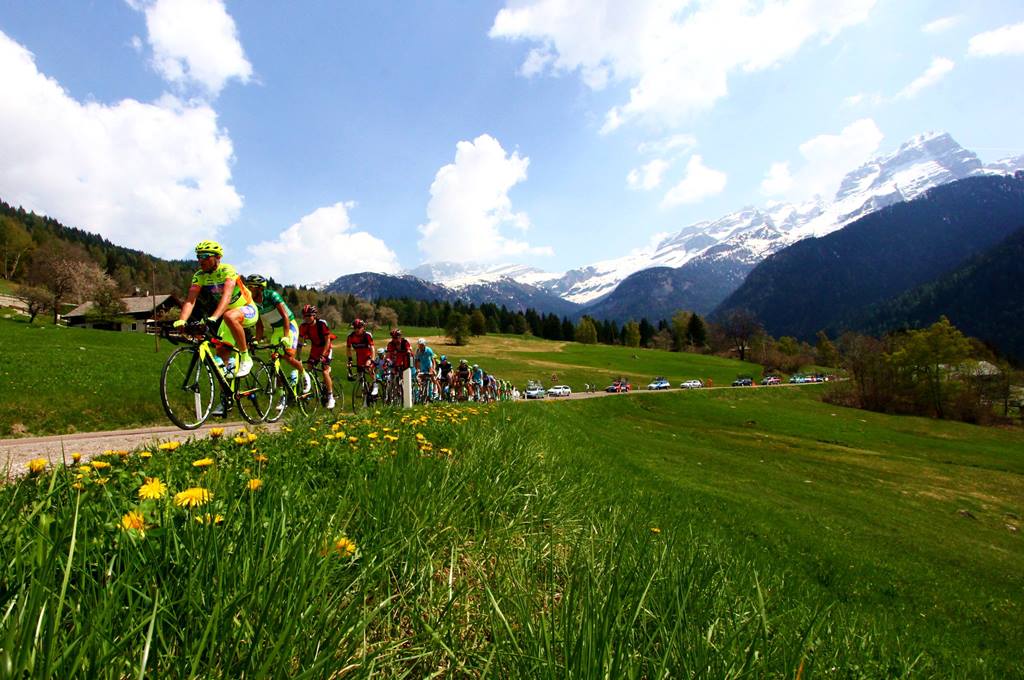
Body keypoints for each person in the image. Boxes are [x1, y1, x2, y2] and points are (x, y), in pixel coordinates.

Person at [175, 240, 258, 378]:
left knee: (229, 316)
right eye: (198, 256)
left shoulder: (227, 270)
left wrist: (214, 317)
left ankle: (245, 357)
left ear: (218, 257)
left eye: (205, 256)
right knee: (221, 352)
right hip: (227, 315)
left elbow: (227, 296)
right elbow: (190, 300)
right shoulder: (199, 276)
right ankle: (227, 388)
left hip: (247, 309)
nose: (201, 260)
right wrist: (182, 320)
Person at [245, 275, 304, 400]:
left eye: (251, 286)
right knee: (275, 360)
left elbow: (285, 316)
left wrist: (286, 337)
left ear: (260, 288)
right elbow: (259, 326)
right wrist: (256, 340)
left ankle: (304, 374)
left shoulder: (272, 295)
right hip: (276, 330)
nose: (248, 289)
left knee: (288, 355)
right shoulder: (252, 302)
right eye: (247, 286)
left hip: (289, 326)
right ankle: (282, 395)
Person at [299, 304, 336, 409]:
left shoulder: (321, 324)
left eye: (309, 315)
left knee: (325, 371)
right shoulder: (303, 326)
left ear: (314, 315)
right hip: (315, 349)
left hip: (326, 348)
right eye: (304, 316)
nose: (306, 318)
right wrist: (298, 357)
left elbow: (328, 340)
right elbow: (300, 343)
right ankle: (312, 390)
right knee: (309, 369)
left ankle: (331, 397)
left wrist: (323, 354)